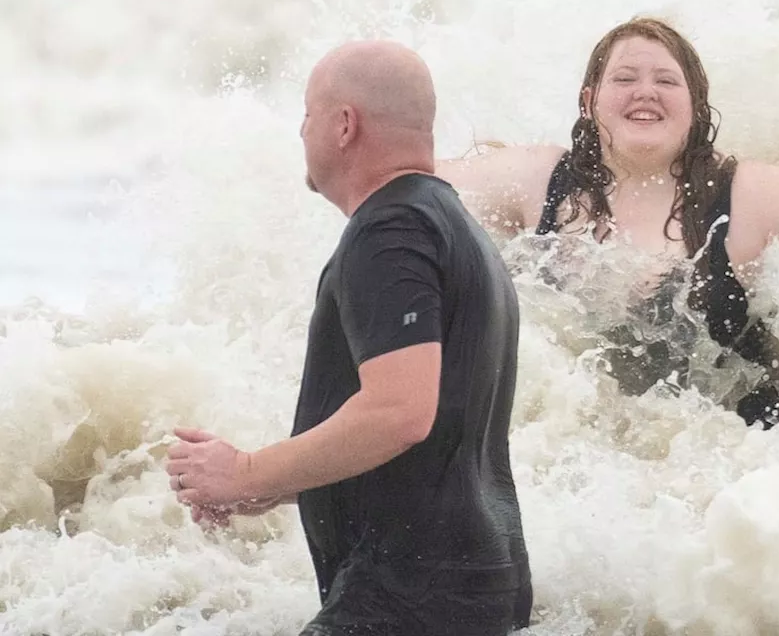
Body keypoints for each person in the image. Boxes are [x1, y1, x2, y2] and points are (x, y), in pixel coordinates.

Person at [164, 40, 532, 635]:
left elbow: (400, 413)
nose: (301, 131)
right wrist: (273, 484)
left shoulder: (391, 230)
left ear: (343, 125)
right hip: (462, 587)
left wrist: (249, 470)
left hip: (410, 597)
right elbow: (432, 439)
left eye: (308, 114)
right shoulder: (450, 224)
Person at [437, 17, 779, 429]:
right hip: (582, 442)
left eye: (667, 82)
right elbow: (410, 185)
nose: (645, 92)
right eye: (624, 79)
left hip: (742, 441)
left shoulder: (752, 195)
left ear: (696, 107)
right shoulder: (537, 179)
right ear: (588, 100)